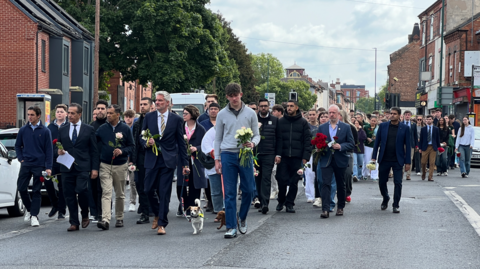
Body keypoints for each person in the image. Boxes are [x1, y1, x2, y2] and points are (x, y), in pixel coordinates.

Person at [214, 83, 260, 238]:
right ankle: (231, 226)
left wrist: (253, 143)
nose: (234, 98)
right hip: (227, 154)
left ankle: (243, 217)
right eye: (231, 96)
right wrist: (217, 159)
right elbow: (218, 138)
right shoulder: (221, 114)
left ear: (241, 94)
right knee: (230, 192)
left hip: (245, 154)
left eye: (236, 95)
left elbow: (257, 135)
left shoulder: (250, 113)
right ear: (227, 97)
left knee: (248, 189)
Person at [141, 91, 188, 235]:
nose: (158, 102)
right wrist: (146, 142)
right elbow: (141, 136)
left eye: (161, 100)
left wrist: (184, 164)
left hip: (168, 160)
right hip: (152, 158)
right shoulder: (148, 117)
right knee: (148, 189)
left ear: (167, 103)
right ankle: (156, 213)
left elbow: (181, 142)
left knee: (164, 192)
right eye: (156, 100)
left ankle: (162, 223)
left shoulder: (176, 119)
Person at [57, 103, 99, 231]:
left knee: (81, 190)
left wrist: (94, 168)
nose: (69, 115)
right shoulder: (62, 129)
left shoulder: (88, 129)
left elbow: (94, 151)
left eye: (72, 113)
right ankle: (74, 222)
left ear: (79, 114)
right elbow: (57, 146)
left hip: (83, 166)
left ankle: (85, 214)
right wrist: (58, 151)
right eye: (68, 113)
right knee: (69, 194)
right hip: (66, 167)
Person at [95, 104, 135, 230]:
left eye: (111, 113)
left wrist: (122, 151)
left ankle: (119, 217)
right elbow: (94, 144)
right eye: (107, 113)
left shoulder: (125, 129)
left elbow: (132, 146)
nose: (108, 115)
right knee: (106, 192)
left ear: (118, 115)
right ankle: (105, 219)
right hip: (105, 165)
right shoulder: (102, 129)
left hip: (120, 165)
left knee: (119, 193)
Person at [15, 106, 53, 227]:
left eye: (32, 115)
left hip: (39, 165)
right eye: (28, 114)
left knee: (37, 190)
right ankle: (30, 209)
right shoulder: (23, 130)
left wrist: (48, 167)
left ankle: (34, 216)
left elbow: (49, 150)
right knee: (21, 188)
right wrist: (21, 158)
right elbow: (17, 146)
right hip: (26, 163)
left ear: (38, 116)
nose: (29, 117)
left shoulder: (45, 131)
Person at [317, 105, 354, 218]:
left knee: (340, 184)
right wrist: (319, 147)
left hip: (340, 159)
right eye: (330, 112)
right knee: (325, 183)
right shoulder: (322, 127)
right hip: (326, 159)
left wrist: (341, 146)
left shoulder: (346, 127)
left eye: (334, 112)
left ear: (338, 114)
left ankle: (340, 207)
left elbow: (351, 143)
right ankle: (325, 209)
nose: (331, 114)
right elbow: (318, 140)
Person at [371, 107, 411, 213]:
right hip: (384, 158)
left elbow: (408, 145)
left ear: (399, 116)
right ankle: (386, 197)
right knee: (382, 182)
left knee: (398, 182)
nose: (392, 115)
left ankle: (396, 204)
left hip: (398, 159)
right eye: (391, 113)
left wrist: (408, 162)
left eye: (394, 114)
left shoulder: (405, 128)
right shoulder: (383, 126)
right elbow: (377, 143)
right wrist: (374, 157)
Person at [276, 100, 311, 213]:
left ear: (296, 108)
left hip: (297, 156)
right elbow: (277, 139)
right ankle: (281, 200)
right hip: (283, 156)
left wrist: (306, 156)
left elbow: (307, 140)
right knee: (281, 180)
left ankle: (290, 203)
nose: (289, 108)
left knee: (294, 181)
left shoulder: (303, 122)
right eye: (287, 106)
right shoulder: (280, 122)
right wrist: (277, 154)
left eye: (291, 106)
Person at [176, 105, 207, 215]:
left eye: (185, 113)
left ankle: (194, 207)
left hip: (195, 159)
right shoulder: (180, 127)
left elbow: (204, 144)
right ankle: (183, 205)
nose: (183, 115)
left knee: (195, 183)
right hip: (182, 159)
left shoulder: (200, 129)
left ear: (192, 115)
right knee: (181, 183)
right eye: (183, 113)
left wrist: (196, 148)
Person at [254, 98, 281, 214]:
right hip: (256, 153)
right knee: (257, 178)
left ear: (269, 106)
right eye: (261, 106)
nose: (263, 108)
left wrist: (278, 154)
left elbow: (279, 138)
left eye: (265, 106)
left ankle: (265, 203)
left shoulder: (275, 120)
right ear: (259, 107)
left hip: (269, 153)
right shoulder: (254, 119)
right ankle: (260, 200)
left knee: (266, 178)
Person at [131, 97, 154, 225]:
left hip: (153, 155)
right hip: (140, 156)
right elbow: (134, 141)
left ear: (151, 106)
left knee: (151, 185)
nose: (142, 106)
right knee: (140, 184)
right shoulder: (137, 122)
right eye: (141, 104)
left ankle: (153, 208)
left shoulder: (154, 119)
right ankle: (145, 211)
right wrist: (132, 160)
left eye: (145, 104)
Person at [46, 104, 68, 220]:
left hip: (64, 160)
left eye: (61, 111)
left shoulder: (68, 126)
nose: (59, 113)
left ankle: (62, 210)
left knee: (62, 185)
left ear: (66, 114)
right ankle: (54, 204)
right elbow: (47, 144)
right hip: (52, 160)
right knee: (48, 181)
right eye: (57, 111)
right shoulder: (50, 127)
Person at [90, 100, 109, 222]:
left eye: (102, 108)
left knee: (105, 189)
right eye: (98, 108)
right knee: (94, 188)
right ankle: (95, 212)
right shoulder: (91, 126)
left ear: (107, 110)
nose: (100, 111)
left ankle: (105, 212)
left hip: (108, 161)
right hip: (94, 161)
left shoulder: (110, 125)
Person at [201, 127, 224, 215]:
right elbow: (206, 145)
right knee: (216, 190)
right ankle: (218, 210)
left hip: (228, 162)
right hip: (213, 164)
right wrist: (215, 155)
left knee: (228, 189)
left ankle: (227, 210)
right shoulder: (211, 131)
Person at [338, 110, 357, 202]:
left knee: (348, 173)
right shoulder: (333, 126)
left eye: (339, 115)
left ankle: (347, 192)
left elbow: (355, 142)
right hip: (336, 152)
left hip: (348, 152)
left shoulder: (351, 127)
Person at [124, 109, 137, 212]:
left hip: (132, 158)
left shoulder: (135, 128)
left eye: (130, 117)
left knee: (132, 181)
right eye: (126, 117)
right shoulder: (122, 128)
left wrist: (132, 159)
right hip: (122, 157)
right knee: (121, 182)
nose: (128, 119)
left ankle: (132, 202)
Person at [419, 115, 440, 181]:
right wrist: (420, 148)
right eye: (427, 119)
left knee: (432, 162)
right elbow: (421, 139)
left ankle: (430, 176)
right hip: (425, 147)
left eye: (430, 119)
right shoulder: (423, 129)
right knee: (423, 162)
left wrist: (438, 147)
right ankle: (424, 173)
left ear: (432, 120)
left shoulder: (436, 129)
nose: (428, 120)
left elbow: (437, 139)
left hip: (433, 147)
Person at [270, 104, 284, 199]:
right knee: (273, 171)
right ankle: (275, 189)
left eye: (274, 111)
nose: (272, 113)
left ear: (279, 112)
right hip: (274, 149)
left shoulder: (283, 122)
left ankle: (283, 189)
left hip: (284, 149)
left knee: (282, 172)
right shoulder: (273, 121)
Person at [305, 109, 319, 203]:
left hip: (317, 151)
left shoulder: (320, 126)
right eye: (310, 114)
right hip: (309, 152)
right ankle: (309, 194)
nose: (312, 116)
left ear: (317, 115)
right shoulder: (306, 126)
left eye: (314, 114)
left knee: (316, 174)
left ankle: (316, 194)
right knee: (309, 174)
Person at [403, 110, 418, 180]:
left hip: (411, 144)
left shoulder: (413, 124)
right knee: (402, 158)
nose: (407, 116)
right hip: (402, 144)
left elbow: (415, 135)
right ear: (404, 116)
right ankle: (401, 173)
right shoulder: (401, 123)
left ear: (410, 116)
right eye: (406, 114)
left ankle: (408, 174)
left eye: (409, 115)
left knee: (410, 159)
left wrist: (416, 145)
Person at [363, 116, 379, 181]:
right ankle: (365, 174)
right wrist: (367, 138)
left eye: (374, 121)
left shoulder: (378, 128)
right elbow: (363, 135)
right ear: (370, 120)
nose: (373, 122)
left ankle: (374, 176)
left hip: (375, 146)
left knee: (375, 161)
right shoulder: (366, 127)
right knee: (367, 160)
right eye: (372, 120)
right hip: (367, 146)